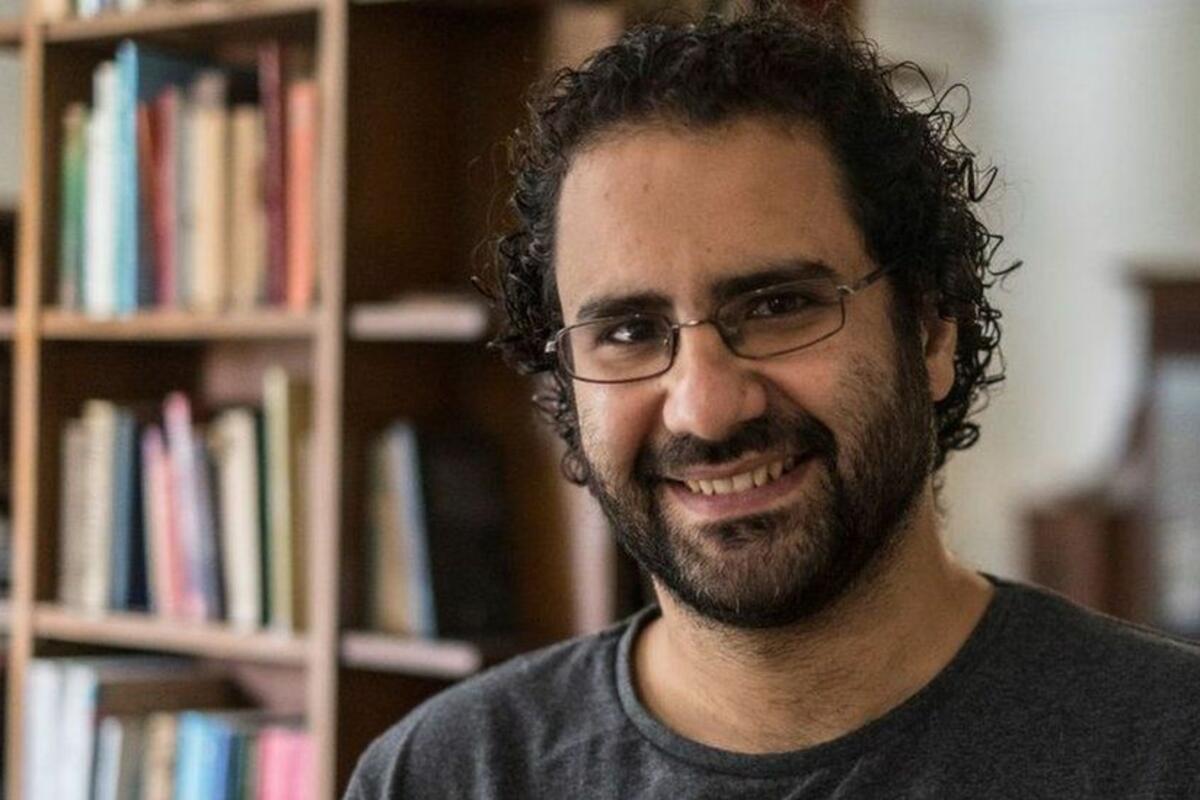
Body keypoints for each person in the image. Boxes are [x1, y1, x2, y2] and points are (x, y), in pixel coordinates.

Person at [346, 6, 1200, 798]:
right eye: (629, 332)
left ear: (932, 332)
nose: (706, 408)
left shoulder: (1168, 750)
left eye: (779, 306)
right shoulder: (444, 775)